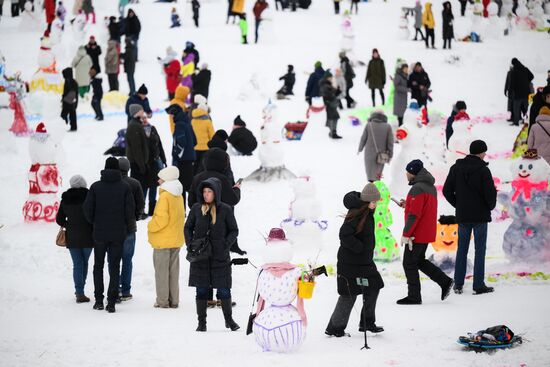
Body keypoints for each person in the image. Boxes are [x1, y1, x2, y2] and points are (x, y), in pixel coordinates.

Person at [325, 183, 384, 337]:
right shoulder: (357, 214)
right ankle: (335, 328)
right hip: (350, 264)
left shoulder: (367, 213)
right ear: (367, 202)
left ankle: (367, 322)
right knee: (348, 294)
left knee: (374, 286)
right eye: (374, 202)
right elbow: (344, 234)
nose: (376, 204)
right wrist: (359, 248)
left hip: (364, 264)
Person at [184, 177, 240, 332]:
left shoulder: (225, 210)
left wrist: (225, 245)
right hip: (200, 258)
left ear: (216, 193)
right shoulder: (196, 209)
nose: (206, 194)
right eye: (204, 191)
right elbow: (187, 228)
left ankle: (229, 320)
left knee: (223, 290)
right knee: (201, 290)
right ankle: (202, 323)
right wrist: (190, 244)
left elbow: (234, 230)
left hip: (220, 257)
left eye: (209, 191)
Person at [443, 140, 497, 295]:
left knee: (462, 250)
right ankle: (478, 285)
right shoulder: (483, 170)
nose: (485, 155)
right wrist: (490, 206)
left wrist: (458, 205)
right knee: (480, 250)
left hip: (463, 216)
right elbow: (490, 193)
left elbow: (447, 191)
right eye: (484, 152)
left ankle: (458, 284)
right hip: (480, 217)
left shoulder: (455, 168)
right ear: (480, 153)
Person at [396, 159, 454, 305]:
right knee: (419, 261)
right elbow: (421, 208)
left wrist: (406, 234)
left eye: (407, 172)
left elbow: (414, 215)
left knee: (409, 263)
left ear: (413, 173)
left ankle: (414, 296)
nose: (406, 175)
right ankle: (445, 281)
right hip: (426, 232)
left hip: (417, 233)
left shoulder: (417, 188)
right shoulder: (429, 186)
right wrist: (407, 204)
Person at [83, 157, 135, 313]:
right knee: (114, 267)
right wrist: (124, 226)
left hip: (99, 233)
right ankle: (111, 302)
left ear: (105, 168)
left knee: (98, 266)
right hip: (118, 234)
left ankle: (99, 300)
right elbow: (130, 212)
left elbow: (87, 210)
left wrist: (94, 222)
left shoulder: (95, 187)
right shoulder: (124, 187)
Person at [148, 166, 185, 308]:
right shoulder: (178, 195)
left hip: (162, 241)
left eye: (161, 178)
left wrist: (150, 226)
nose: (158, 180)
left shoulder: (165, 196)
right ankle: (174, 301)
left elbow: (161, 219)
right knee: (173, 273)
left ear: (167, 179)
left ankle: (163, 301)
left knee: (161, 273)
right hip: (176, 239)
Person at [56, 175, 94, 303]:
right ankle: (80, 290)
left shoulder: (66, 198)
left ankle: (79, 292)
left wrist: (69, 224)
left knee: (77, 264)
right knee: (85, 262)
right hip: (88, 235)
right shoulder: (89, 196)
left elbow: (59, 219)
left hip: (72, 236)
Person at [117, 157, 145, 301]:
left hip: (114, 227)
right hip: (129, 227)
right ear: (128, 169)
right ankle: (126, 290)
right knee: (127, 259)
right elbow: (141, 205)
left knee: (114, 259)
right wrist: (136, 217)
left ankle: (115, 288)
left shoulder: (112, 183)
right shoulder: (134, 183)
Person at [166, 99, 196, 204]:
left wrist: (176, 155)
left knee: (181, 187)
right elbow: (195, 141)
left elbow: (181, 143)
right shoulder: (187, 123)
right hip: (190, 160)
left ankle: (182, 210)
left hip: (182, 161)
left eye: (171, 115)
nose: (170, 117)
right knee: (190, 186)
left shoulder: (179, 125)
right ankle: (195, 208)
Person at [358, 111, 394, 182]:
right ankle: (377, 189)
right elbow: (390, 142)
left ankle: (371, 189)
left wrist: (360, 148)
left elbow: (363, 138)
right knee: (378, 175)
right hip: (382, 155)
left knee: (370, 173)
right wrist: (390, 153)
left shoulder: (369, 125)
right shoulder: (387, 126)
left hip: (369, 154)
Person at [142, 115, 167, 216]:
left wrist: (164, 159)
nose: (144, 120)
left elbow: (159, 145)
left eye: (145, 118)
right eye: (142, 118)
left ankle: (152, 210)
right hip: (145, 163)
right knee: (144, 187)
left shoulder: (153, 128)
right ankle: (141, 209)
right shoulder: (139, 130)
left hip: (155, 163)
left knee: (153, 186)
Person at [126, 104, 150, 192]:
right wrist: (141, 165)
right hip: (137, 164)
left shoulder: (137, 124)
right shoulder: (134, 126)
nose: (143, 111)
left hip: (139, 163)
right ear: (136, 112)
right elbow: (136, 149)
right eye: (141, 110)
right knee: (138, 189)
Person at [509, 58, 534, 126]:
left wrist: (510, 91)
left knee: (516, 108)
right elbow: (532, 76)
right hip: (526, 93)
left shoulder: (514, 71)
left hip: (518, 93)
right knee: (526, 108)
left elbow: (512, 83)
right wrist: (526, 81)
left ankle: (516, 122)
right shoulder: (525, 69)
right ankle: (526, 121)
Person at [191, 102, 215, 172]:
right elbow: (212, 135)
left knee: (195, 165)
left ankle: (194, 180)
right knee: (204, 166)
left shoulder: (192, 121)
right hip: (206, 147)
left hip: (195, 147)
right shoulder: (207, 121)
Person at [320, 70, 342, 139]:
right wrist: (335, 90)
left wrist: (337, 90)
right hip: (330, 104)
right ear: (327, 78)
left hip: (331, 104)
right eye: (330, 77)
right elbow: (328, 94)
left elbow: (334, 94)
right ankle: (333, 133)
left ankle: (332, 132)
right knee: (333, 118)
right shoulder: (325, 85)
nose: (332, 78)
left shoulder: (328, 84)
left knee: (333, 118)